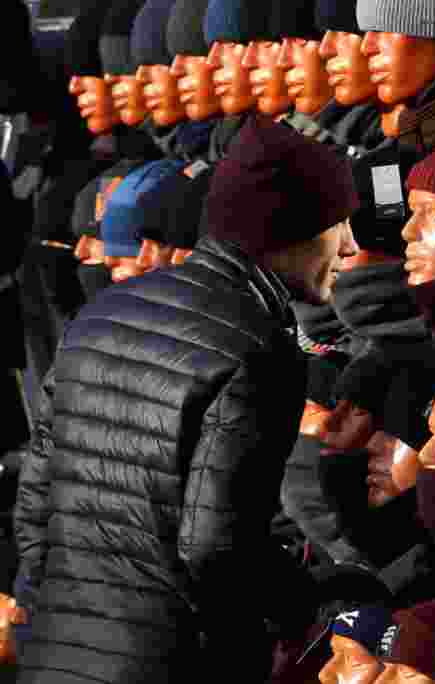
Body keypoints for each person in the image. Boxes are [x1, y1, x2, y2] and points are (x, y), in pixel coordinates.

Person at [12, 115, 358, 684]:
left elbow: (35, 506)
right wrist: (307, 600)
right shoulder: (256, 345)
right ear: (285, 227)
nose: (349, 247)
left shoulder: (102, 314)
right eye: (336, 223)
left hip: (56, 656)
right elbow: (216, 547)